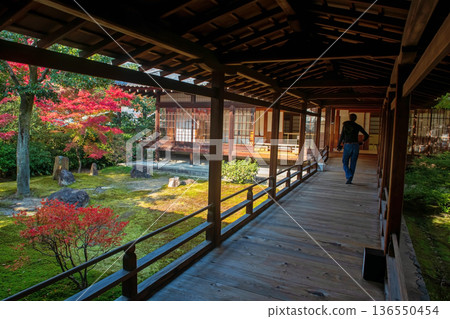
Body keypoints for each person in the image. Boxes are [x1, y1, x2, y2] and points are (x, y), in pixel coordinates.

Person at [337, 114, 369, 184]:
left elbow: (342, 136)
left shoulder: (345, 125)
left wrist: (338, 145)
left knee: (344, 162)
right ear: (356, 119)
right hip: (356, 145)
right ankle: (350, 179)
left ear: (349, 118)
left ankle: (349, 174)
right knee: (353, 162)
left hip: (347, 145)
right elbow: (366, 135)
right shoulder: (357, 126)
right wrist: (362, 142)